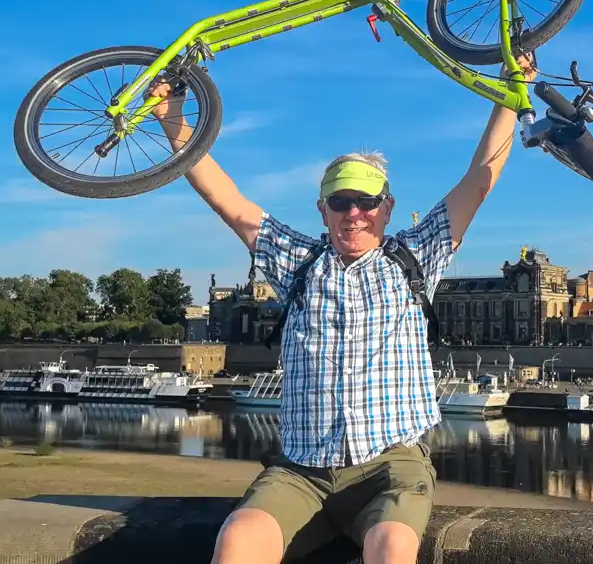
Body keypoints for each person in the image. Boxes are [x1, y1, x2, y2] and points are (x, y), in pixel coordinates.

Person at [149, 54, 536, 564]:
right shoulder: (298, 262)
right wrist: (172, 118)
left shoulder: (414, 256)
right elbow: (230, 201)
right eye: (340, 202)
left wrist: (510, 92)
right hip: (301, 470)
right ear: (322, 210)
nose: (354, 214)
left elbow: (480, 178)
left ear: (388, 207)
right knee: (238, 541)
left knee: (392, 548)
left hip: (389, 467)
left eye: (366, 202)